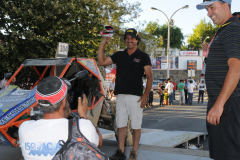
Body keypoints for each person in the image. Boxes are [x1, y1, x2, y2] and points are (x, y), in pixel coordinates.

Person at [98, 28, 152, 160]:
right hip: (120, 95)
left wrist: (145, 96)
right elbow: (101, 62)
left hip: (136, 97)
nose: (129, 40)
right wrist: (103, 43)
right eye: (127, 38)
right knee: (121, 125)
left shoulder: (143, 56)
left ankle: (134, 152)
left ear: (137, 40)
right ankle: (121, 151)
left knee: (136, 127)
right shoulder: (119, 55)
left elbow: (150, 77)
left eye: (132, 38)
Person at [19, 76, 103, 160]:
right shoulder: (82, 126)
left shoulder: (24, 128)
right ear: (63, 102)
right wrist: (84, 116)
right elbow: (98, 143)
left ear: (38, 102)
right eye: (67, 97)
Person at [197, 0, 240, 159]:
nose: (208, 13)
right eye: (207, 8)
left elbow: (236, 68)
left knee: (229, 155)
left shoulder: (232, 29)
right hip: (223, 103)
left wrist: (219, 104)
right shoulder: (224, 30)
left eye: (212, 7)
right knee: (221, 154)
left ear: (225, 6)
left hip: (229, 104)